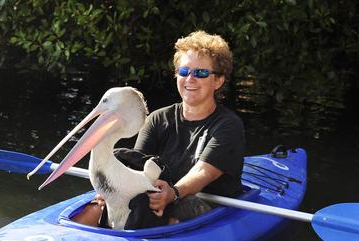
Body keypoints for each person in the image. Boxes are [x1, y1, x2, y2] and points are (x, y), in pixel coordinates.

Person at [73, 30, 244, 228]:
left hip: (205, 202)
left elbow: (202, 173)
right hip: (158, 195)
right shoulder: (158, 118)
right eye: (184, 71)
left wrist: (174, 193)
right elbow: (135, 163)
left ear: (218, 80)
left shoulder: (228, 126)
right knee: (97, 206)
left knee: (185, 206)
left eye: (201, 73)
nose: (190, 79)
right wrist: (111, 190)